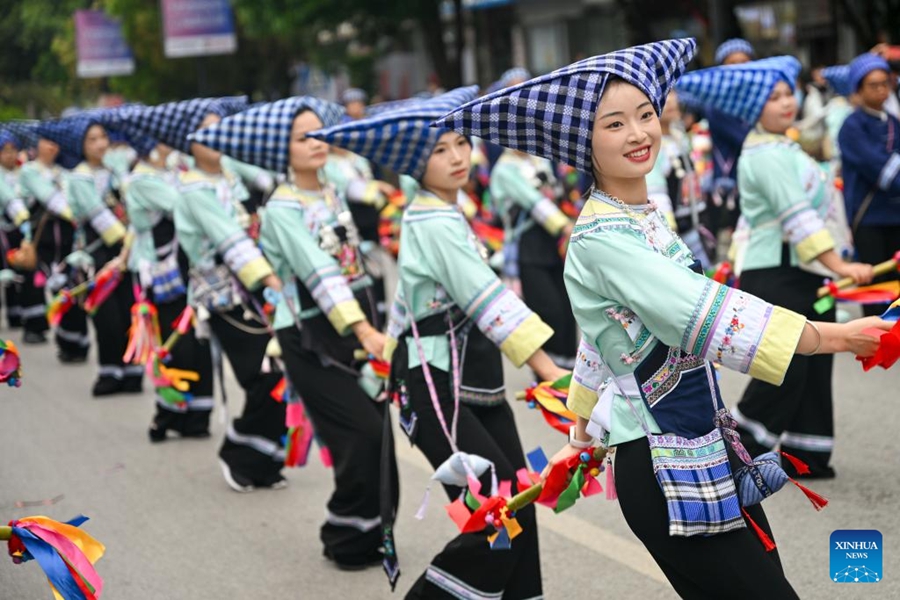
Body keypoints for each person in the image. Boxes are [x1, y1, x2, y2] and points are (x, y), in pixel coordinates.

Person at [437, 38, 892, 599]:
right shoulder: (605, 235)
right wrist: (838, 335)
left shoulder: (639, 217)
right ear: (584, 141)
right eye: (614, 124)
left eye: (646, 114)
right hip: (665, 466)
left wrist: (582, 427)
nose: (639, 133)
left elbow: (603, 341)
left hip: (699, 446)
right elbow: (702, 312)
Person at [310, 87, 567, 599]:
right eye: (438, 150)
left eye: (460, 144)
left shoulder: (448, 210)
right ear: (412, 164)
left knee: (516, 496)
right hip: (433, 380)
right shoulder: (430, 219)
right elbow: (486, 297)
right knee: (496, 512)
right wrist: (547, 369)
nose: (456, 157)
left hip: (472, 376)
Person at [190, 95, 400, 569]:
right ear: (279, 149)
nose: (315, 143)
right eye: (301, 136)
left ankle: (371, 535)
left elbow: (351, 266)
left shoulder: (328, 192)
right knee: (360, 435)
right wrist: (365, 330)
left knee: (379, 433)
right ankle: (345, 533)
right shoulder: (283, 208)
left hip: (350, 330)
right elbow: (320, 273)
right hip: (310, 338)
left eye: (318, 132)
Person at [679, 55, 876, 478]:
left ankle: (808, 454)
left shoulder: (784, 146)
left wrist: (833, 263)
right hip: (778, 273)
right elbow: (796, 216)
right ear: (753, 108)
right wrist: (841, 265)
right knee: (785, 366)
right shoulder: (764, 154)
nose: (787, 103)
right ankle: (736, 452)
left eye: (789, 93)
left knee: (818, 361)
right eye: (774, 97)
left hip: (809, 270)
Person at [123, 97, 288, 491]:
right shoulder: (192, 189)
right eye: (206, 132)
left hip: (257, 286)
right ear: (188, 142)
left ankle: (263, 460)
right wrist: (269, 279)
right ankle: (239, 453)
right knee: (262, 374)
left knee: (278, 374)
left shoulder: (228, 176)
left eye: (220, 129)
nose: (217, 139)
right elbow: (228, 239)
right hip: (223, 294)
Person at [113, 119, 215, 442]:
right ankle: (172, 412)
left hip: (185, 263)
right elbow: (181, 204)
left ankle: (197, 413)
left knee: (195, 336)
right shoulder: (142, 180)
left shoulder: (171, 172)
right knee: (173, 339)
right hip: (161, 270)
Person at [37, 115, 142, 396]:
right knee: (107, 318)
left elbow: (132, 205)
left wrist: (133, 242)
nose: (99, 144)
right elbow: (99, 217)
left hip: (126, 251)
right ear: (80, 145)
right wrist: (127, 240)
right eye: (91, 140)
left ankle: (132, 372)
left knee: (129, 311)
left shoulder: (116, 169)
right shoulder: (79, 177)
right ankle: (110, 373)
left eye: (103, 138)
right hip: (97, 254)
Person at [490, 147, 578, 367]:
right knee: (550, 313)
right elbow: (533, 201)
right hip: (527, 249)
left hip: (552, 246)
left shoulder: (540, 160)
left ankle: (569, 375)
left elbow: (556, 193)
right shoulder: (504, 169)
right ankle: (548, 377)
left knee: (567, 314)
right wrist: (565, 225)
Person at [838, 53, 900, 316]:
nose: (881, 89)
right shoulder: (851, 126)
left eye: (884, 83)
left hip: (896, 215)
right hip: (869, 218)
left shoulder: (895, 123)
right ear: (858, 89)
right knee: (875, 285)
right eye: (872, 85)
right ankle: (875, 338)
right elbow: (878, 168)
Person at [17, 129, 83, 360]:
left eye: (56, 143)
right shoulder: (29, 171)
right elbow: (51, 200)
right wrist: (76, 212)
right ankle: (34, 327)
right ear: (38, 144)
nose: (52, 147)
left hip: (67, 239)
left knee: (70, 289)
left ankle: (73, 342)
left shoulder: (64, 171)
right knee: (36, 284)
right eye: (47, 142)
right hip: (41, 239)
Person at [647, 90, 712, 269]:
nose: (671, 101)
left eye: (673, 94)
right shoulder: (652, 145)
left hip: (696, 223)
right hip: (676, 231)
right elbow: (656, 193)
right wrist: (668, 232)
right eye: (664, 96)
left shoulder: (679, 136)